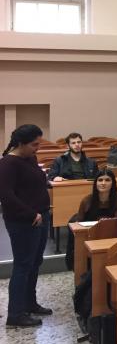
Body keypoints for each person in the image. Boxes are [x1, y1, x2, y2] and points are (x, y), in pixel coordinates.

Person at [0, 124, 52, 327]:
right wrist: (31, 213)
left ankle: (30, 303)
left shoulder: (30, 158)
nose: (37, 148)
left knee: (35, 262)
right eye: (34, 144)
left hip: (41, 216)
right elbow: (6, 196)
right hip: (23, 221)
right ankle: (15, 314)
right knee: (23, 265)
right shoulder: (8, 163)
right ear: (21, 143)